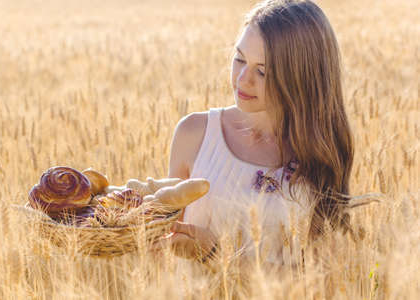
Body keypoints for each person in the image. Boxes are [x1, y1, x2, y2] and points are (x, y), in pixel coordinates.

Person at [151, 0, 355, 273]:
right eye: (239, 59)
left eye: (262, 71)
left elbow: (322, 282)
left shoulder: (318, 155)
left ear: (301, 76)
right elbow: (163, 246)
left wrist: (216, 254)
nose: (243, 79)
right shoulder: (194, 134)